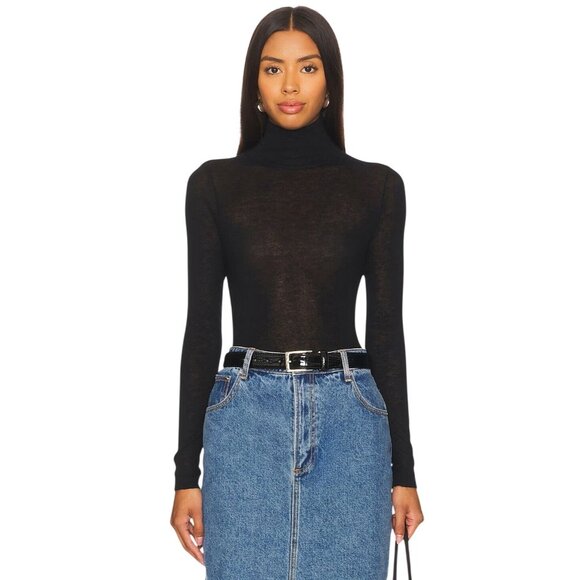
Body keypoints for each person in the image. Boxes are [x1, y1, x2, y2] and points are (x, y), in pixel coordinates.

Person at [170, 6, 424, 578]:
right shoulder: (213, 185)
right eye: (273, 69)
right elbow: (201, 329)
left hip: (351, 421)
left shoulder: (378, 187)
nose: (290, 85)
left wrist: (404, 471)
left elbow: (387, 332)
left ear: (330, 82)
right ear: (254, 85)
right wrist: (187, 475)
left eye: (307, 68)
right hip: (243, 423)